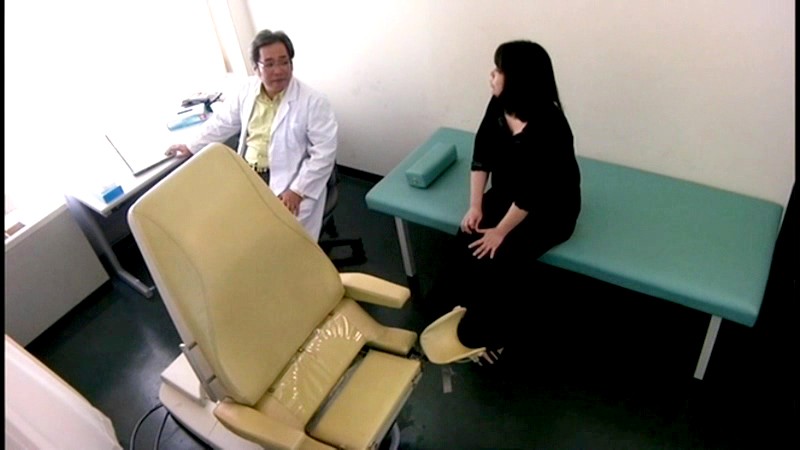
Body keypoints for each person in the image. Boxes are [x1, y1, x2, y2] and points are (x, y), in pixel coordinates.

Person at [430, 40, 581, 365]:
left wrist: (500, 231)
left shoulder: (550, 126)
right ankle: (463, 307)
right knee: (467, 237)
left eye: (499, 70)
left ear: (519, 80)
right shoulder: (499, 105)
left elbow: (532, 193)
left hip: (551, 207)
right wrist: (475, 207)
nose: (492, 75)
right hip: (510, 192)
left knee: (501, 257)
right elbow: (482, 153)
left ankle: (495, 337)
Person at [166, 29, 338, 240]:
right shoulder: (247, 90)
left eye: (284, 62)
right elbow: (223, 122)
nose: (278, 71)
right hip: (250, 174)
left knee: (281, 234)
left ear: (291, 64)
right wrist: (191, 145)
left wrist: (297, 190)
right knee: (230, 223)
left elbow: (324, 153)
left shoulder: (314, 101)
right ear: (256, 68)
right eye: (270, 64)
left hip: (290, 180)